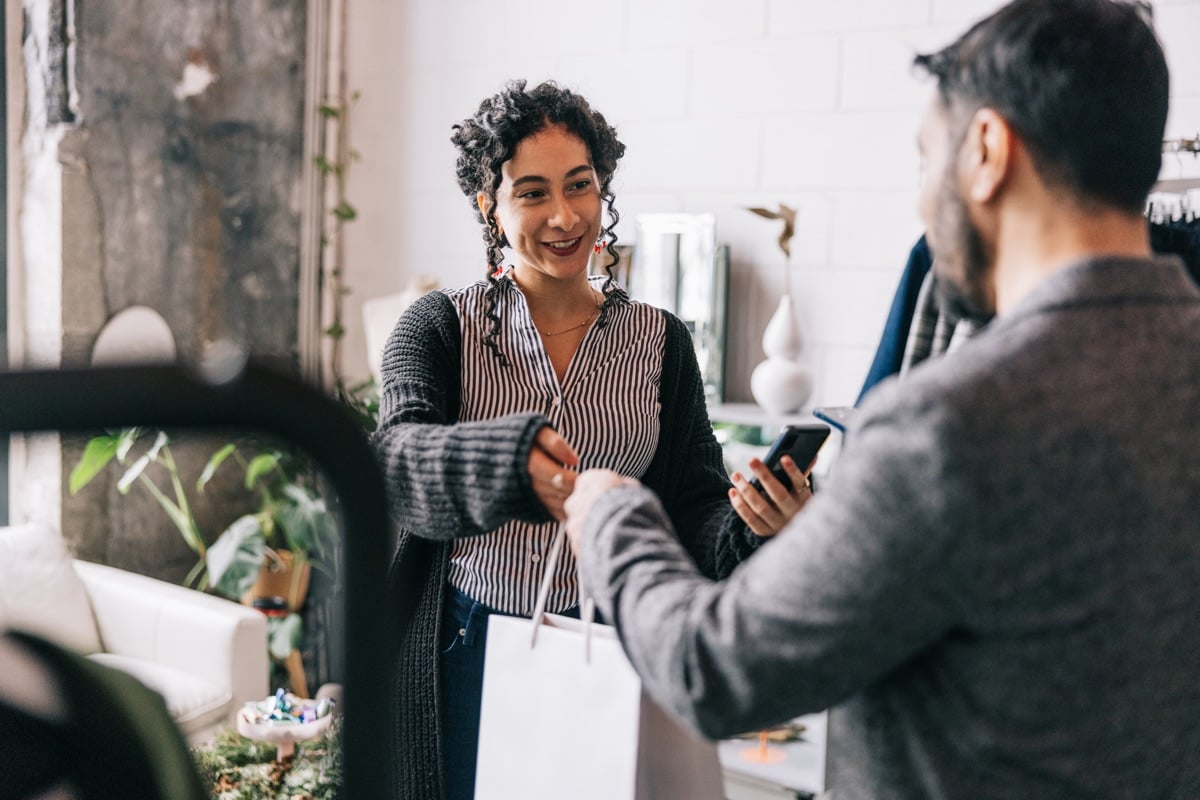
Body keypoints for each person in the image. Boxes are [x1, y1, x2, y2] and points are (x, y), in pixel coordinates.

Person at [564, 1, 1200, 798]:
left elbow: (713, 673)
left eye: (925, 157)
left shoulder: (946, 427)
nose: (921, 202)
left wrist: (612, 518)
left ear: (986, 150)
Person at [370, 79, 810, 800]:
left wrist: (754, 524)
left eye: (580, 186)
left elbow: (692, 515)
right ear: (491, 206)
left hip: (609, 644)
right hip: (466, 640)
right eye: (533, 193)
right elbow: (396, 464)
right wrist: (511, 465)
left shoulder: (660, 341)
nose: (565, 216)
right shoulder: (438, 327)